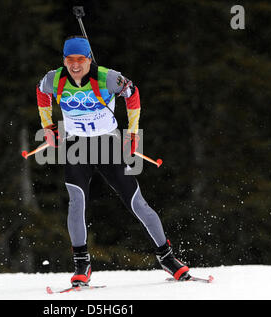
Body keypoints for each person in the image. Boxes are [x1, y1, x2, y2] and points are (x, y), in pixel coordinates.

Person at [36, 35, 190, 286]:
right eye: (70, 60)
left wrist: (132, 132)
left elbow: (132, 93)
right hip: (77, 146)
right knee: (76, 203)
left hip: (107, 144)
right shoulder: (54, 78)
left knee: (136, 202)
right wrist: (48, 126)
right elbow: (41, 91)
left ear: (89, 59)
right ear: (64, 60)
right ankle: (81, 264)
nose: (75, 65)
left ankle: (167, 257)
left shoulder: (107, 77)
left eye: (81, 60)